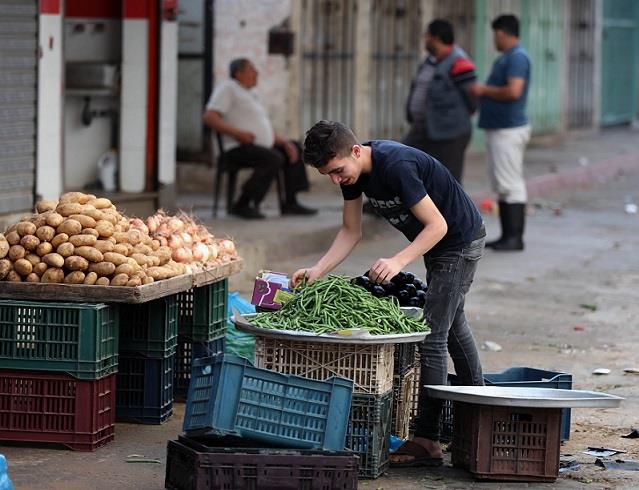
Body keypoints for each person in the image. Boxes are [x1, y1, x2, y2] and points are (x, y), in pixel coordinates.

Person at [293, 120, 485, 467]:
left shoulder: (395, 165)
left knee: (433, 337)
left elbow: (437, 225)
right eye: (327, 175)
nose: (336, 180)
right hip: (440, 244)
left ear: (355, 151)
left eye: (336, 170)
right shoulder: (353, 173)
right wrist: (317, 270)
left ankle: (427, 438)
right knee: (454, 329)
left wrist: (398, 260)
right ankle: (479, 419)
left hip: (457, 241)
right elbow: (351, 231)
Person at [203, 58, 317, 219]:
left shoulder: (251, 93)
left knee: (294, 147)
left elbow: (264, 127)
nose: (256, 73)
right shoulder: (228, 89)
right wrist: (238, 134)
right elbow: (209, 117)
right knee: (273, 158)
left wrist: (284, 142)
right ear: (238, 73)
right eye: (251, 69)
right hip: (236, 148)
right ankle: (243, 203)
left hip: (259, 146)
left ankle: (290, 202)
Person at [471, 14, 531, 251]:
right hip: (502, 127)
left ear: (502, 33)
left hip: (508, 128)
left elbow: (514, 91)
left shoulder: (517, 57)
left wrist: (483, 90)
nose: (494, 39)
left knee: (510, 182)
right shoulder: (510, 57)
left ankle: (514, 237)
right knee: (504, 182)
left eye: (495, 34)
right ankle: (508, 236)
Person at [404, 19, 478, 183]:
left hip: (450, 133)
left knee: (448, 180)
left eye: (427, 36)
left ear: (435, 38)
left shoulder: (459, 62)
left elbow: (472, 96)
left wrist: (454, 118)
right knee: (402, 162)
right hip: (423, 129)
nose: (424, 40)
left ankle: (451, 209)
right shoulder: (431, 61)